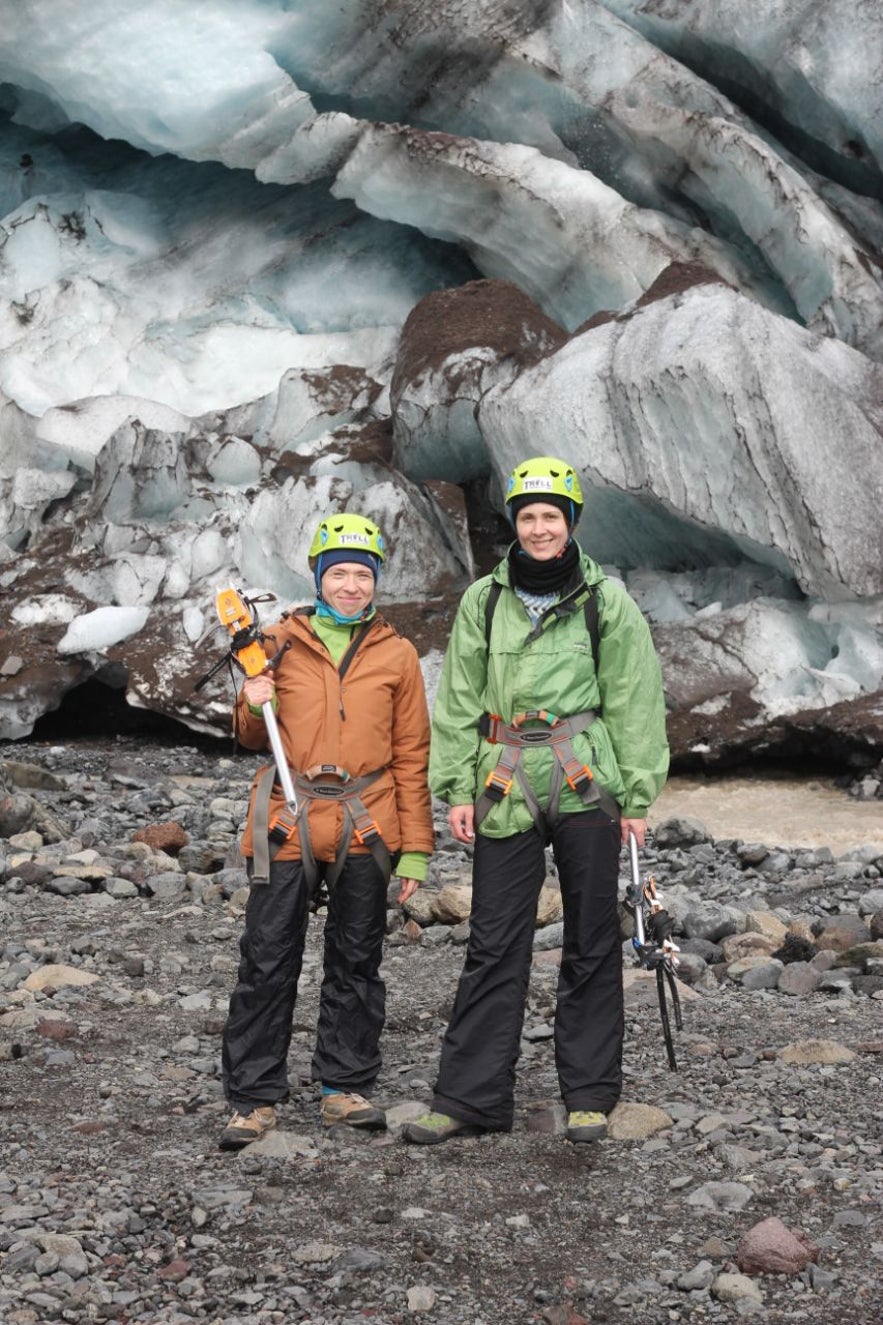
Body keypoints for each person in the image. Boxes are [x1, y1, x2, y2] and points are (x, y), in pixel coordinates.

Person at [403, 456, 669, 1146]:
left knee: (589, 935)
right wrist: (455, 786)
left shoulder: (605, 602)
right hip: (504, 781)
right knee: (493, 941)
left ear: (570, 522)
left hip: (585, 781)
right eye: (529, 516)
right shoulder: (483, 602)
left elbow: (635, 702)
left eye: (552, 515)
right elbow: (458, 699)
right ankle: (469, 1097)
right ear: (514, 525)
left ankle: (586, 1094)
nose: (541, 527)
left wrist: (636, 796)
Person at [219, 512, 434, 1150]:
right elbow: (251, 737)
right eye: (337, 572)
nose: (349, 585)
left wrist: (417, 851)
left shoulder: (397, 655)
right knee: (267, 958)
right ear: (317, 577)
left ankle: (344, 1087)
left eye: (360, 575)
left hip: (368, 821)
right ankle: (254, 1098)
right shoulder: (278, 643)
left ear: (374, 582)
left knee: (357, 960)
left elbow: (412, 757)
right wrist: (250, 697)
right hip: (290, 815)